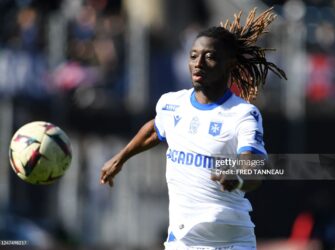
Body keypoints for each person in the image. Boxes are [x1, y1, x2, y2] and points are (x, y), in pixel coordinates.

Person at [100, 7, 286, 250]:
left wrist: (237, 177)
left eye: (209, 56)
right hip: (184, 239)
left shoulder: (243, 114)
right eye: (193, 55)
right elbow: (155, 129)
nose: (198, 63)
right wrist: (121, 158)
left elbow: (254, 169)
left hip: (230, 239)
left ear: (229, 64)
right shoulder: (172, 103)